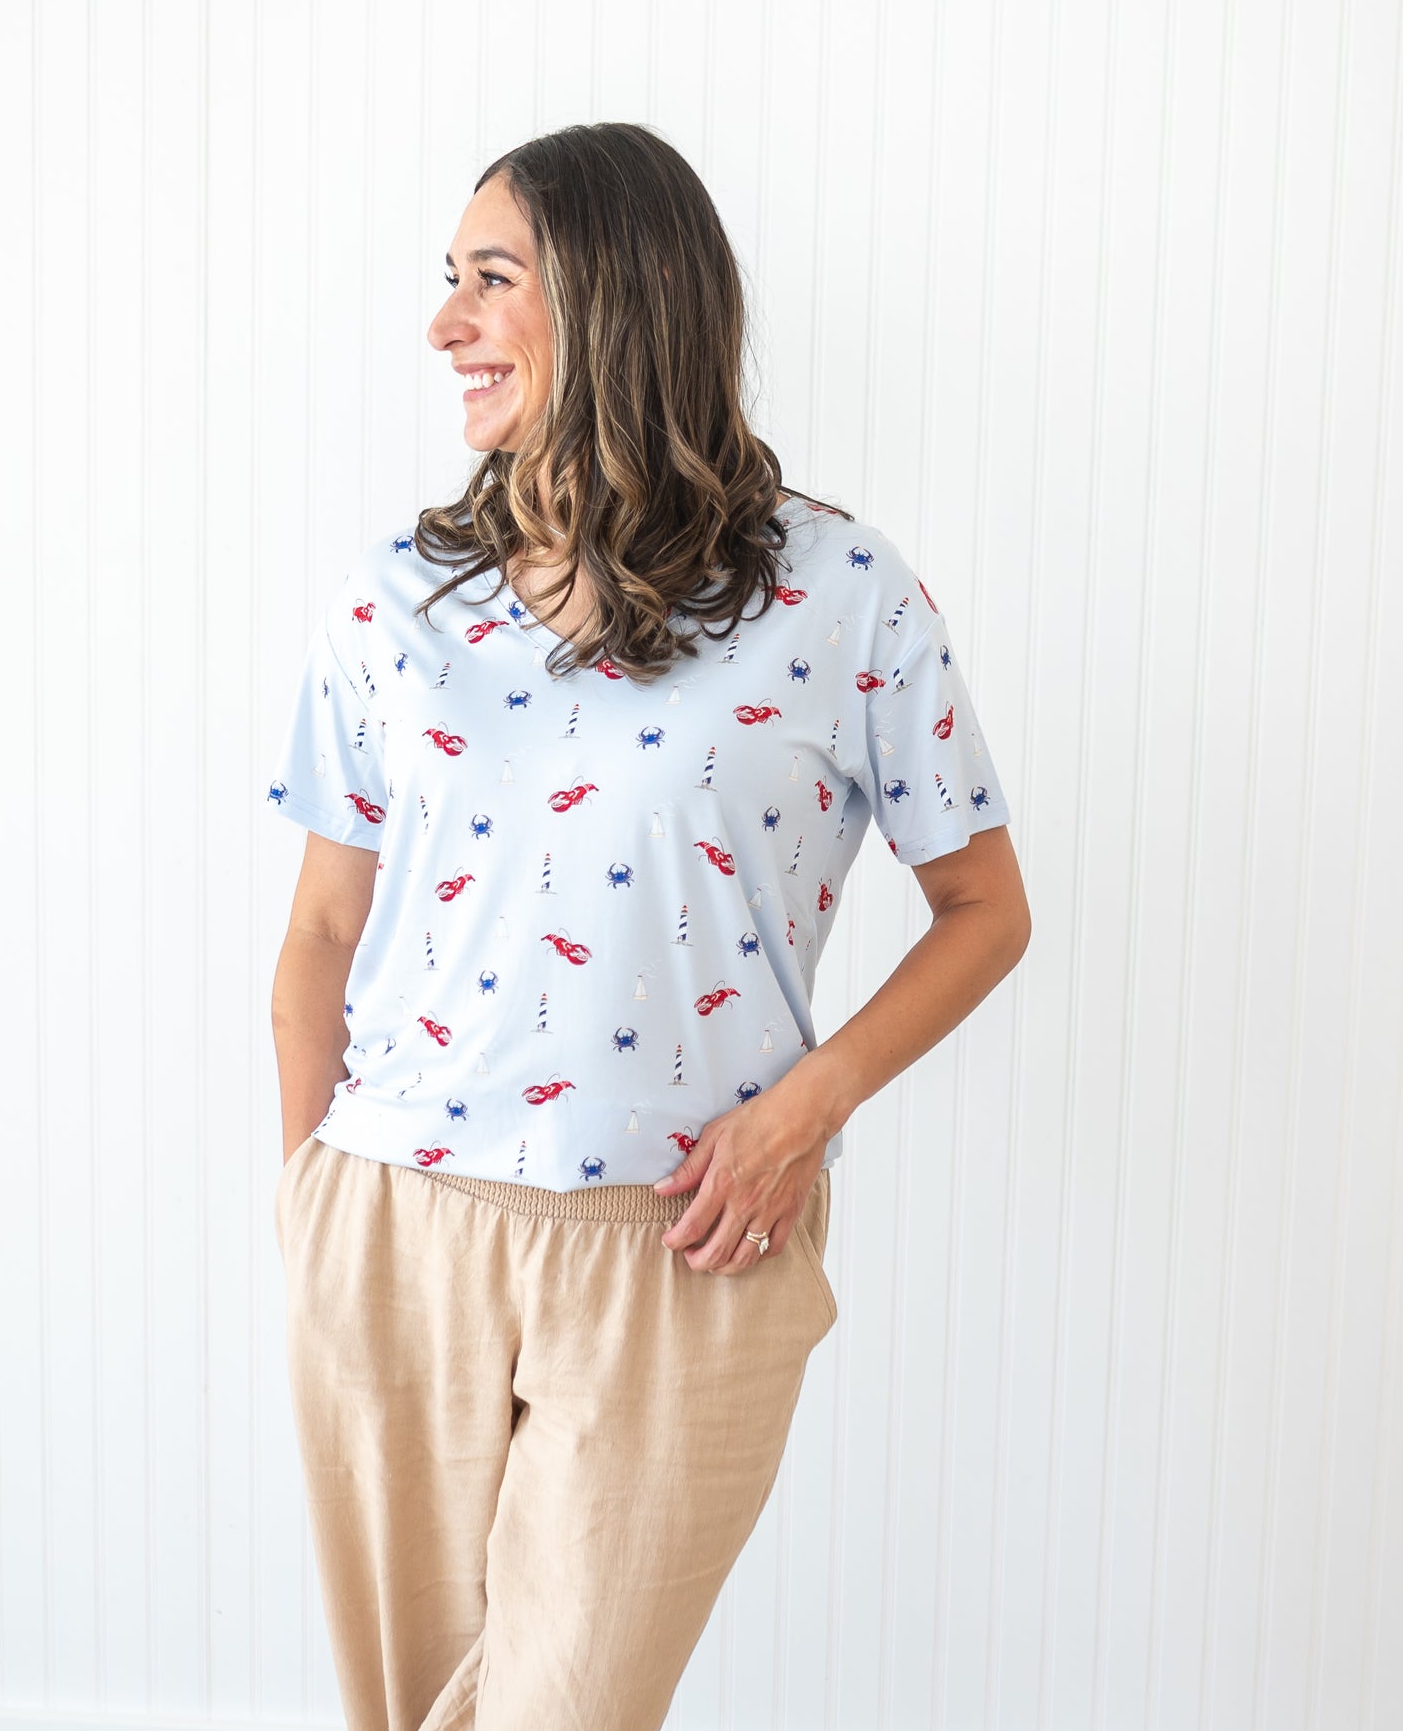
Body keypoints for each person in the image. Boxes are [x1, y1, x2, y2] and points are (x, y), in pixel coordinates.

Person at [263, 122, 1031, 1731]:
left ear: (614, 296)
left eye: (491, 279)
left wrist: (807, 1111)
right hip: (394, 1225)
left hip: (683, 1238)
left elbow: (982, 908)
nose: (445, 323)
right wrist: (312, 1202)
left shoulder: (843, 594)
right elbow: (324, 932)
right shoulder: (396, 601)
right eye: (449, 280)